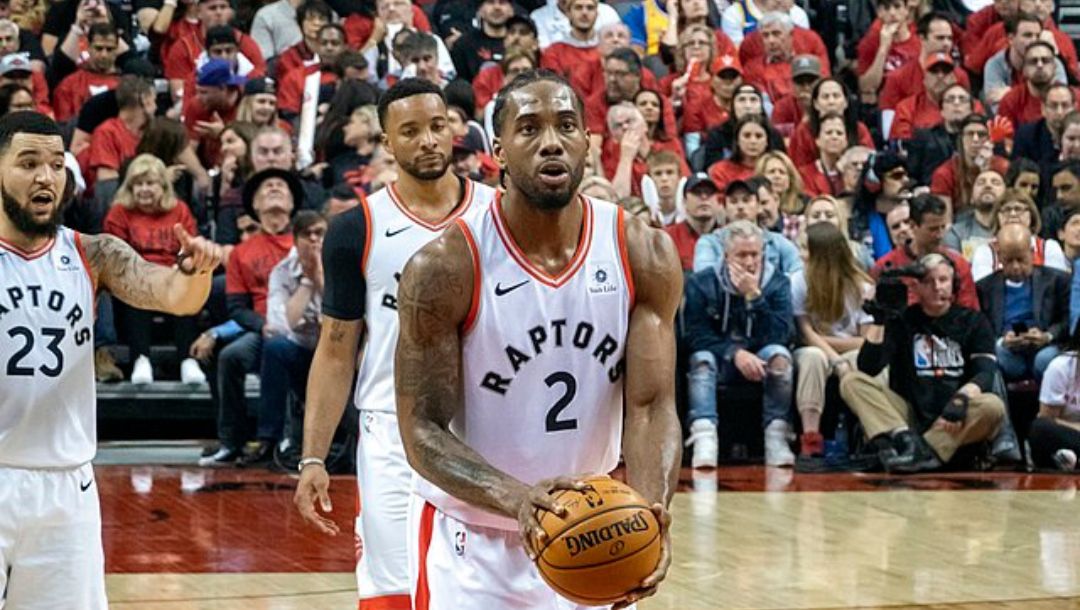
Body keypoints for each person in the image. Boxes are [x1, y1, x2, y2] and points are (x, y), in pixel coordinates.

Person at [391, 70, 679, 607]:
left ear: (587, 142)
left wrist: (652, 510)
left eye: (566, 125)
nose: (551, 141)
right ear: (498, 150)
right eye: (529, 128)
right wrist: (520, 500)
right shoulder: (446, 267)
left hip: (595, 528)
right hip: (472, 541)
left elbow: (651, 405)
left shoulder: (643, 252)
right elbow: (421, 430)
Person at [0, 111, 221, 608]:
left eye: (57, 165)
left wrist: (194, 272)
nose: (46, 177)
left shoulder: (92, 254)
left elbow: (170, 294)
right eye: (28, 163)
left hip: (65, 486)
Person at [293, 78, 496, 609]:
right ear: (387, 142)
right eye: (410, 131)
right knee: (393, 594)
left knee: (485, 591)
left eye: (437, 126)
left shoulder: (502, 216)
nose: (428, 140)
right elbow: (336, 349)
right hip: (393, 430)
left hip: (486, 427)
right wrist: (312, 457)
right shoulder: (355, 228)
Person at [840, 253, 1007, 473]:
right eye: (929, 282)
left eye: (943, 280)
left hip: (954, 417)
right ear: (916, 288)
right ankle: (909, 441)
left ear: (954, 283)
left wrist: (961, 400)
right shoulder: (903, 320)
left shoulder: (974, 321)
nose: (937, 287)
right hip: (908, 415)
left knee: (993, 406)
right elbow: (868, 367)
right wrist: (879, 321)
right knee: (851, 381)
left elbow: (985, 372)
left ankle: (921, 451)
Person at [198, 167, 299, 467]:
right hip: (262, 328)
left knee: (277, 350)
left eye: (281, 185)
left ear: (293, 203)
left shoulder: (305, 242)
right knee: (229, 356)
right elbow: (237, 308)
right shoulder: (242, 252)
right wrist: (262, 325)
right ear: (254, 205)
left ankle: (278, 439)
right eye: (266, 186)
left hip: (302, 327)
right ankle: (232, 441)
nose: (274, 188)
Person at [685, 219, 796, 468]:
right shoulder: (701, 282)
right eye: (741, 255)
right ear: (725, 255)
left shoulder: (777, 283)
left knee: (780, 356)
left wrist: (755, 297)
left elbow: (782, 334)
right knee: (701, 360)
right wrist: (734, 353)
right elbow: (694, 335)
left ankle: (776, 436)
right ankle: (704, 437)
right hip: (720, 357)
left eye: (755, 254)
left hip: (761, 358)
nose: (749, 262)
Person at [103, 153, 205, 386]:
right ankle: (141, 359)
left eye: (150, 183)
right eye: (137, 184)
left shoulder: (179, 210)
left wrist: (177, 268)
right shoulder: (119, 212)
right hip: (136, 276)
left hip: (173, 274)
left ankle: (187, 361)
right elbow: (115, 253)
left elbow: (190, 247)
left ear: (163, 186)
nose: (144, 189)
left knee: (188, 283)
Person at [251, 210, 328, 464]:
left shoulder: (341, 266)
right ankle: (269, 439)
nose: (315, 240)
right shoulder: (282, 271)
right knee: (274, 348)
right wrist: (308, 282)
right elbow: (280, 325)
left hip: (335, 352)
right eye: (308, 234)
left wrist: (320, 278)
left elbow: (350, 317)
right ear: (295, 240)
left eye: (320, 233)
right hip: (302, 350)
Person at [792, 222, 873, 457]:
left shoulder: (862, 287)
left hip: (847, 348)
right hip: (813, 348)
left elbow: (866, 342)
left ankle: (870, 434)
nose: (801, 255)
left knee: (861, 359)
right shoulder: (798, 281)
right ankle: (810, 438)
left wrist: (836, 351)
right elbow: (805, 332)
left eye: (806, 249)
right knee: (813, 358)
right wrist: (835, 360)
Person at [976, 223, 1069, 381]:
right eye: (1009, 261)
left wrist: (1048, 336)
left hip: (1046, 344)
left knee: (1044, 360)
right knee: (998, 354)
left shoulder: (1057, 280)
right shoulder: (985, 287)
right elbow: (980, 328)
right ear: (999, 256)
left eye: (1021, 259)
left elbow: (1068, 320)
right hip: (1006, 347)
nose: (1016, 267)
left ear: (1032, 253)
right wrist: (1002, 340)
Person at [873, 193, 979, 309]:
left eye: (943, 227)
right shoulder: (887, 266)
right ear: (913, 226)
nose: (940, 235)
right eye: (933, 229)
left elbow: (969, 312)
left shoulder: (958, 265)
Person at [693, 177, 803, 275]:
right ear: (725, 208)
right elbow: (703, 277)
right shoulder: (709, 243)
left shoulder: (777, 242)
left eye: (746, 200)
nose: (740, 207)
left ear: (759, 206)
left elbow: (799, 273)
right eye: (733, 201)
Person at [971, 188, 1069, 281]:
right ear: (998, 216)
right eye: (1006, 210)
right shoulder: (985, 252)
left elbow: (1056, 285)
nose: (1013, 214)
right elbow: (983, 289)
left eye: (1018, 209)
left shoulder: (1049, 248)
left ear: (1031, 215)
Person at [1031, 323, 1080, 470]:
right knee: (1040, 428)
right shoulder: (1060, 367)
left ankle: (1073, 460)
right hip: (1067, 434)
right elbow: (1047, 419)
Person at [944, 169, 1005, 260]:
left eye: (995, 183)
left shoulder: (1016, 232)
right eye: (981, 183)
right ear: (971, 197)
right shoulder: (956, 233)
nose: (988, 186)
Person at [666, 172, 721, 271]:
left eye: (709, 192)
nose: (704, 197)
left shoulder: (728, 238)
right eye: (697, 192)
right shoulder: (668, 238)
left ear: (718, 201)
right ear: (684, 202)